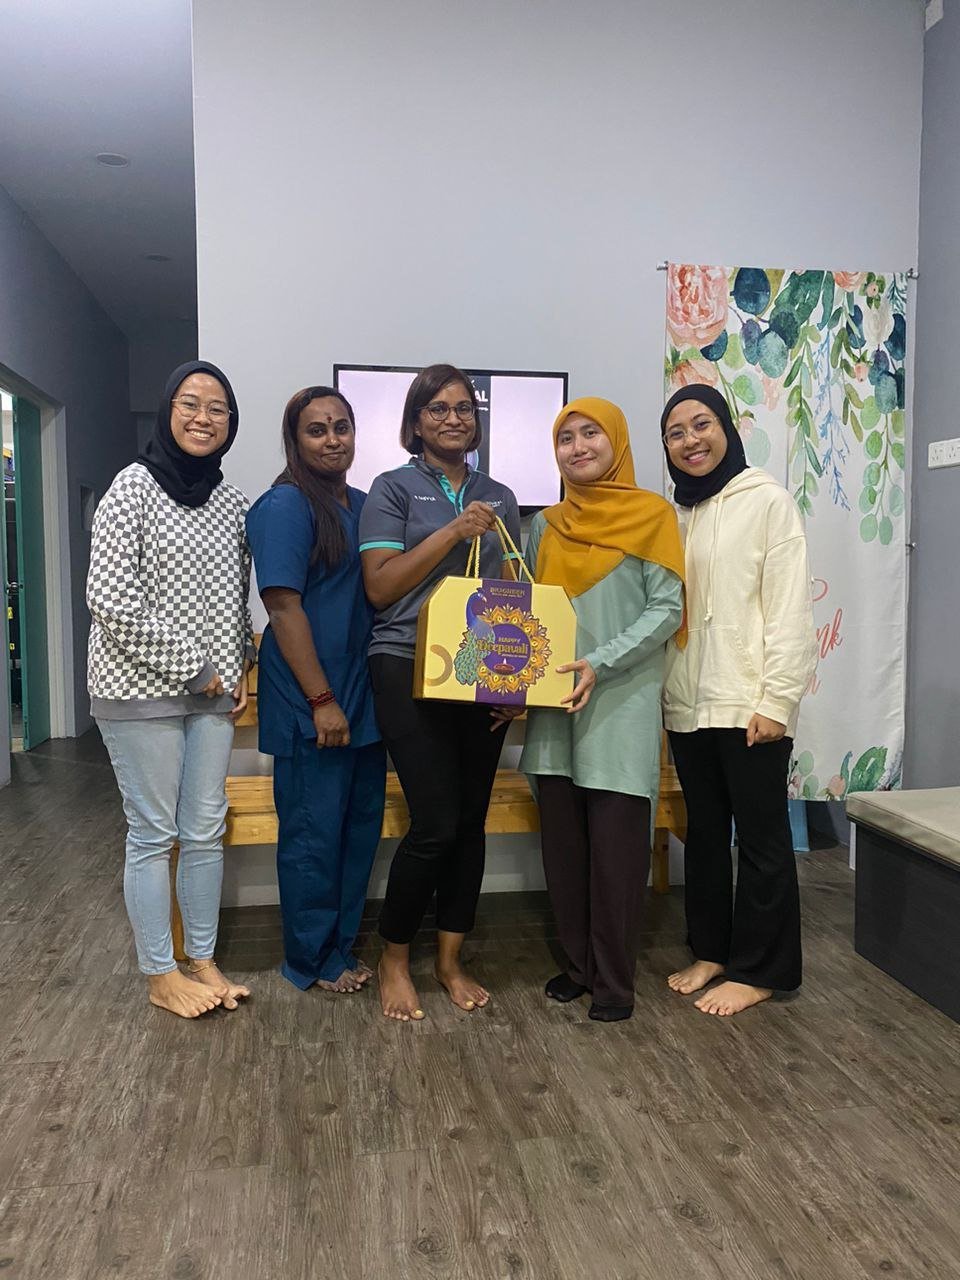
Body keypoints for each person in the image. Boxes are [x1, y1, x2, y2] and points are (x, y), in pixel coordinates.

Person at [87, 360, 254, 1018]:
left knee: (204, 831)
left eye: (218, 408)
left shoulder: (232, 502)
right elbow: (111, 600)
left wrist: (239, 665)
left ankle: (202, 960)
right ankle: (161, 975)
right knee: (154, 834)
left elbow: (236, 600)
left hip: (212, 691)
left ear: (230, 423)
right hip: (136, 691)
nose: (203, 418)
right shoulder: (130, 488)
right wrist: (196, 667)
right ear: (167, 410)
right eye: (190, 403)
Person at [359, 363, 522, 1021]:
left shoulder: (501, 495)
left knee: (469, 824)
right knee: (435, 824)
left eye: (463, 408)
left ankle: (451, 961)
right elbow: (380, 587)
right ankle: (394, 958)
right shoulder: (391, 488)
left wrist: (513, 681)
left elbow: (511, 598)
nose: (453, 418)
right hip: (404, 662)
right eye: (437, 408)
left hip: (481, 669)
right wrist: (454, 532)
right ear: (416, 422)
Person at [517, 397, 685, 1022]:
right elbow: (530, 615)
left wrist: (601, 662)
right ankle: (578, 968)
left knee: (616, 855)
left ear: (617, 441)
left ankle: (614, 982)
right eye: (566, 438)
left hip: (619, 704)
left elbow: (667, 609)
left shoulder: (652, 515)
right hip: (555, 707)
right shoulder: (544, 526)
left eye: (591, 433)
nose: (578, 447)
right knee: (564, 853)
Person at [660, 383, 818, 1016]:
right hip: (687, 703)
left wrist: (777, 700)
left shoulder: (767, 500)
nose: (690, 440)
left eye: (701, 424)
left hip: (751, 702)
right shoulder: (673, 515)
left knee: (760, 839)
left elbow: (789, 608)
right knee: (703, 835)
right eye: (675, 433)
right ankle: (711, 950)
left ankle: (761, 970)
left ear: (726, 427)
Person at [246, 386, 385, 994]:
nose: (333, 440)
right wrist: (321, 701)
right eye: (317, 429)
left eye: (342, 427)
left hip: (364, 696)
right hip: (314, 699)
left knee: (358, 829)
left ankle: (340, 948)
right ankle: (309, 959)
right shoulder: (285, 506)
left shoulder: (364, 505)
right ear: (295, 439)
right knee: (313, 834)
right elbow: (282, 607)